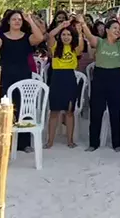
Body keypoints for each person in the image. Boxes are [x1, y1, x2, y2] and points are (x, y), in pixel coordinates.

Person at [0, 10, 44, 152]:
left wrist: (30, 20)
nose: (17, 21)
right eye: (14, 19)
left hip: (24, 76)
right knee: (6, 109)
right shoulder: (2, 37)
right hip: (6, 77)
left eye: (19, 19)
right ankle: (6, 141)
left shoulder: (27, 37)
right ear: (8, 22)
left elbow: (39, 38)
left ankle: (24, 143)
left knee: (25, 108)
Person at [78, 16, 120, 152]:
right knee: (96, 112)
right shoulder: (100, 42)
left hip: (115, 77)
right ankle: (93, 143)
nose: (117, 30)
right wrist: (83, 24)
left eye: (119, 29)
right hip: (100, 77)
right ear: (107, 30)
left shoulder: (119, 44)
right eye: (114, 28)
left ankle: (116, 144)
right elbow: (90, 37)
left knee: (115, 112)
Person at [45, 20, 84, 149]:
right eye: (63, 34)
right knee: (54, 112)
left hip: (69, 79)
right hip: (56, 79)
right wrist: (61, 26)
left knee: (69, 112)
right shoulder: (55, 46)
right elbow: (50, 35)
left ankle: (70, 141)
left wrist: (79, 32)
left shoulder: (74, 48)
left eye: (69, 35)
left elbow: (81, 48)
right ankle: (50, 141)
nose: (66, 37)